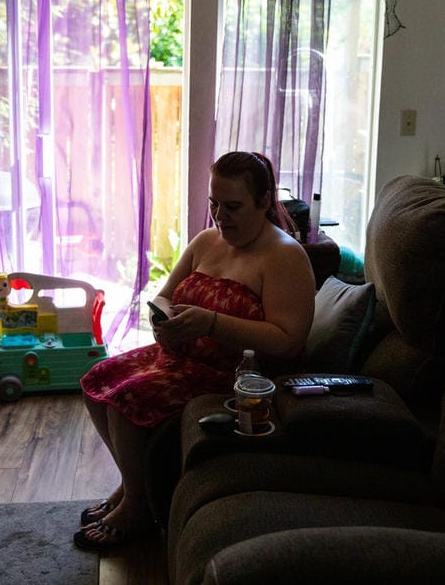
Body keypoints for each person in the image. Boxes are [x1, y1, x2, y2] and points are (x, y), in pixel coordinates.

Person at [73, 151, 316, 550]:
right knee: (96, 379)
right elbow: (164, 297)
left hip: (234, 376)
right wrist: (162, 321)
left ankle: (138, 508)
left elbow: (288, 340)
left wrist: (212, 323)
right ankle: (131, 486)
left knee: (126, 396)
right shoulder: (206, 242)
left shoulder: (285, 256)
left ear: (265, 200)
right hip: (180, 357)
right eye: (214, 203)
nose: (221, 216)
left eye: (233, 206)